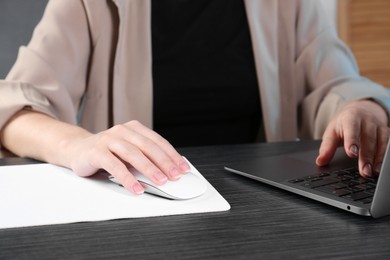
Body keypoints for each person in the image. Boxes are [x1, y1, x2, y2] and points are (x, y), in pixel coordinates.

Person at [0, 0, 389, 195]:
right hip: (143, 202)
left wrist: (361, 107)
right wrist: (80, 144)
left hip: (267, 205)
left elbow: (334, 81)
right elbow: (13, 106)